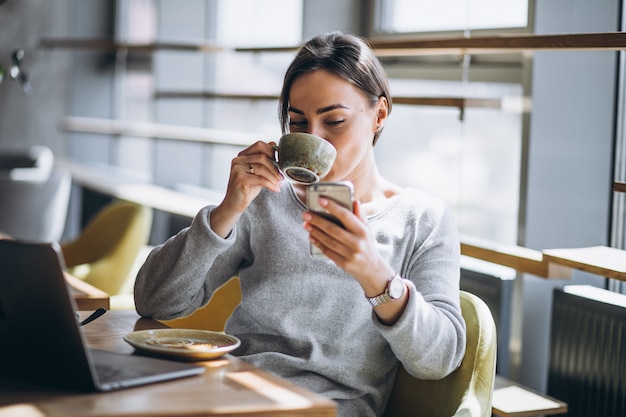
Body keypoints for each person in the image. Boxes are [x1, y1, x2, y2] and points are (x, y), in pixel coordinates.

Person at [134, 31, 466, 417]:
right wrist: (227, 210)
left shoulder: (423, 220)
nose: (315, 137)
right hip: (231, 395)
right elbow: (154, 300)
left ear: (379, 115)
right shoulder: (266, 199)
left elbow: (439, 358)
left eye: (335, 121)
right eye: (298, 122)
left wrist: (375, 275)